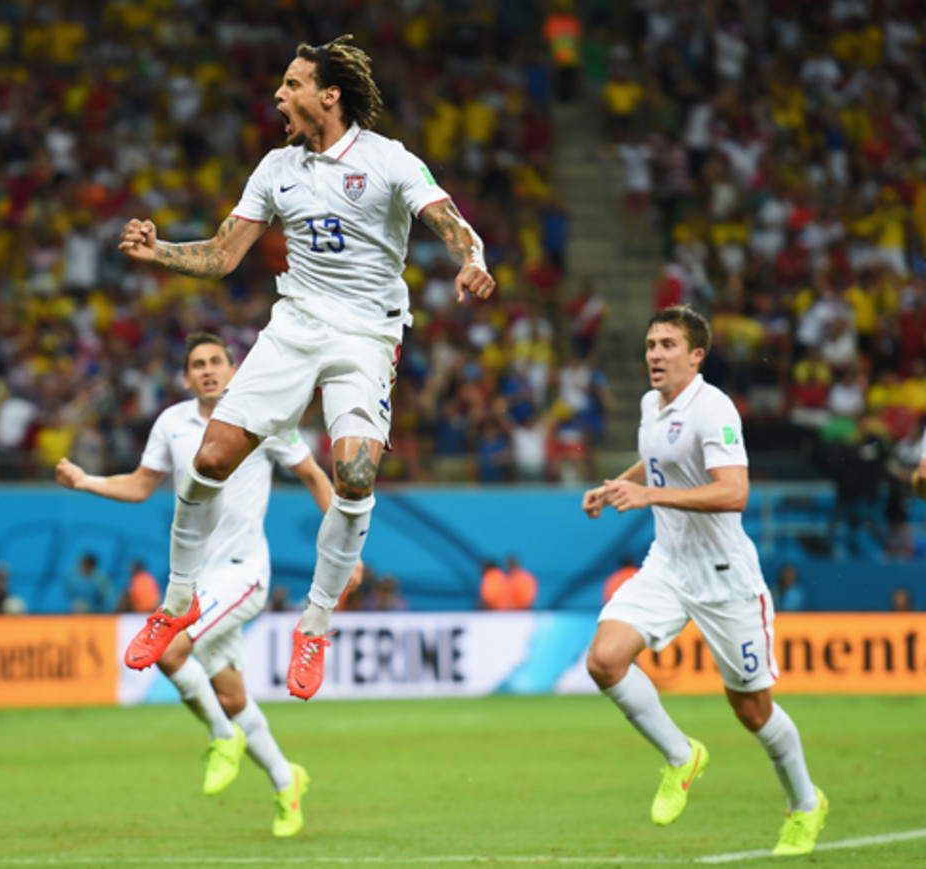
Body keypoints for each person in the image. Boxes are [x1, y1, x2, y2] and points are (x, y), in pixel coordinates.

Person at [115, 35, 494, 700]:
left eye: (291, 85)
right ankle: (176, 601)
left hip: (366, 335)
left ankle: (315, 622)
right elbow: (222, 254)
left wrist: (473, 258)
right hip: (294, 327)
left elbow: (449, 219)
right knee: (209, 458)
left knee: (354, 471)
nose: (278, 96)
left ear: (330, 94)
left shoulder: (387, 161)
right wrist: (159, 253)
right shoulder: (275, 167)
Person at [56, 333, 357, 837]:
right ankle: (288, 781)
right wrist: (87, 481)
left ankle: (222, 737)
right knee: (233, 694)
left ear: (234, 369)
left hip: (244, 571)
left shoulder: (263, 416)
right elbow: (139, 484)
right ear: (187, 376)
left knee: (171, 650)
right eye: (198, 364)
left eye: (217, 361)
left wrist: (348, 548)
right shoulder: (172, 423)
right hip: (198, 578)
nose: (209, 370)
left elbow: (313, 475)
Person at [580, 306, 828, 856]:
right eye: (650, 344)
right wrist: (616, 486)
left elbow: (734, 492)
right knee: (603, 660)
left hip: (724, 578)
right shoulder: (652, 404)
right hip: (667, 563)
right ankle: (680, 756)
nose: (654, 355)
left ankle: (806, 805)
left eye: (668, 344)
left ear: (697, 356)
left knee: (751, 710)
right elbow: (657, 460)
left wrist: (649, 497)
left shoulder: (714, 409)